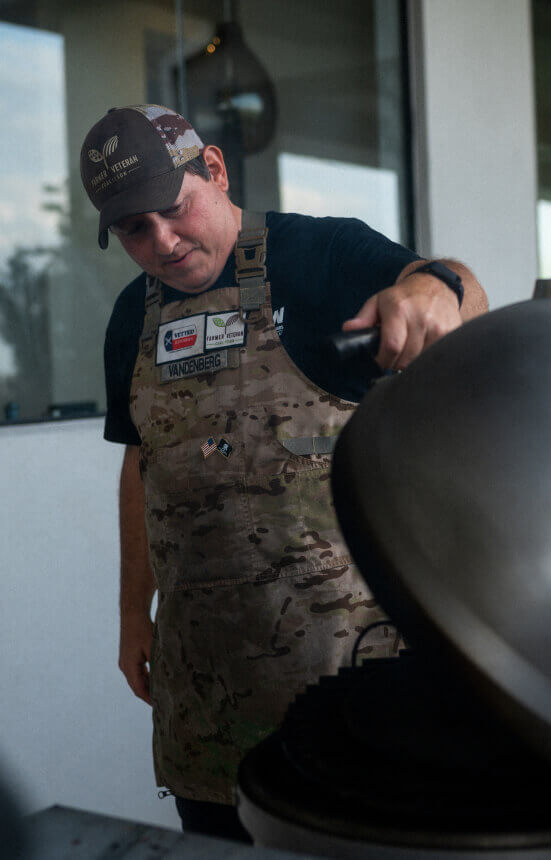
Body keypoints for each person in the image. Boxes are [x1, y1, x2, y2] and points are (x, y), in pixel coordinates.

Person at [81, 104, 487, 841]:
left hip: (349, 691)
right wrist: (129, 616)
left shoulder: (320, 256)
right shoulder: (129, 320)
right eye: (135, 230)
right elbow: (143, 464)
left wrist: (436, 290)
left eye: (173, 211)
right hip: (203, 695)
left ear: (214, 171)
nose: (163, 242)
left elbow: (455, 289)